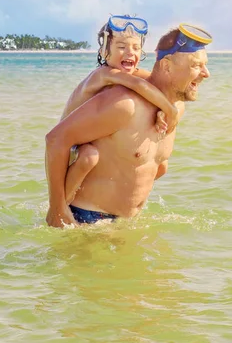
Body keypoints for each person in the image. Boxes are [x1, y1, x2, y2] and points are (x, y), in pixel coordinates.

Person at [45, 23, 213, 227]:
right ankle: (63, 202)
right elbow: (55, 139)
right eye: (196, 66)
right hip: (86, 220)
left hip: (125, 224)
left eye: (135, 48)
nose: (206, 74)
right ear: (167, 65)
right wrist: (57, 210)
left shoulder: (173, 107)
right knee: (88, 156)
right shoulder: (122, 100)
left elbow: (146, 79)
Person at [58, 15, 183, 209]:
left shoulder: (131, 74)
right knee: (89, 156)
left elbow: (154, 83)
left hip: (90, 137)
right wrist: (170, 110)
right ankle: (63, 206)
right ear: (105, 52)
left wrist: (160, 109)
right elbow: (139, 86)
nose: (130, 53)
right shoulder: (103, 74)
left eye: (136, 47)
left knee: (161, 166)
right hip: (70, 146)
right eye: (121, 47)